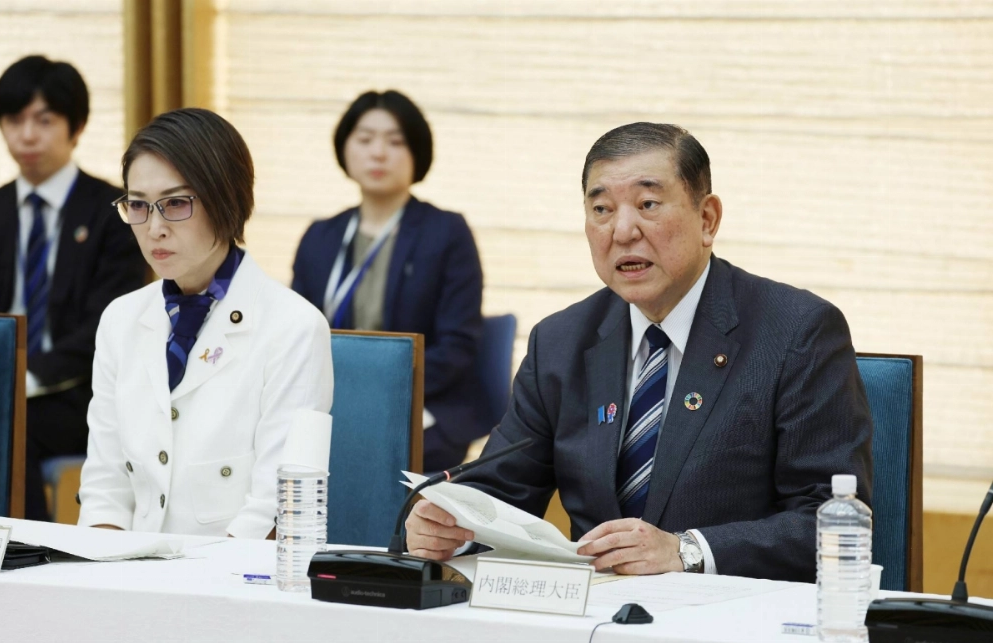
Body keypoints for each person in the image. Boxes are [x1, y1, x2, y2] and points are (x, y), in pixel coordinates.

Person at [405, 122, 873, 582]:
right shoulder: (561, 342)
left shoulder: (795, 331)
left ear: (707, 220)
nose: (623, 230)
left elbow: (831, 520)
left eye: (648, 204)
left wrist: (685, 550)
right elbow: (498, 489)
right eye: (602, 209)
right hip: (592, 618)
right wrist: (448, 527)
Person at [76, 108, 333, 538]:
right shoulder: (120, 319)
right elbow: (105, 487)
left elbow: (274, 508)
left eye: (175, 203)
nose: (154, 227)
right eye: (138, 205)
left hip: (231, 587)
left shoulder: (294, 327)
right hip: (129, 580)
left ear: (226, 200)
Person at [292, 90, 484, 472]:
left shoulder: (446, 232)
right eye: (364, 140)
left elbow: (458, 347)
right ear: (344, 148)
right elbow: (295, 334)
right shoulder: (320, 236)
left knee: (367, 458)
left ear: (418, 153)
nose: (378, 153)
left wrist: (378, 393)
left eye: (395, 141)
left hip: (419, 404)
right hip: (330, 401)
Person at [0, 55, 145, 521]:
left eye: (44, 120)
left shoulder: (112, 214)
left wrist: (24, 378)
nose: (28, 135)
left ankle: (24, 553)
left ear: (76, 126)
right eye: (14, 120)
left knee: (15, 427)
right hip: (0, 384)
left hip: (78, 395)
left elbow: (106, 325)